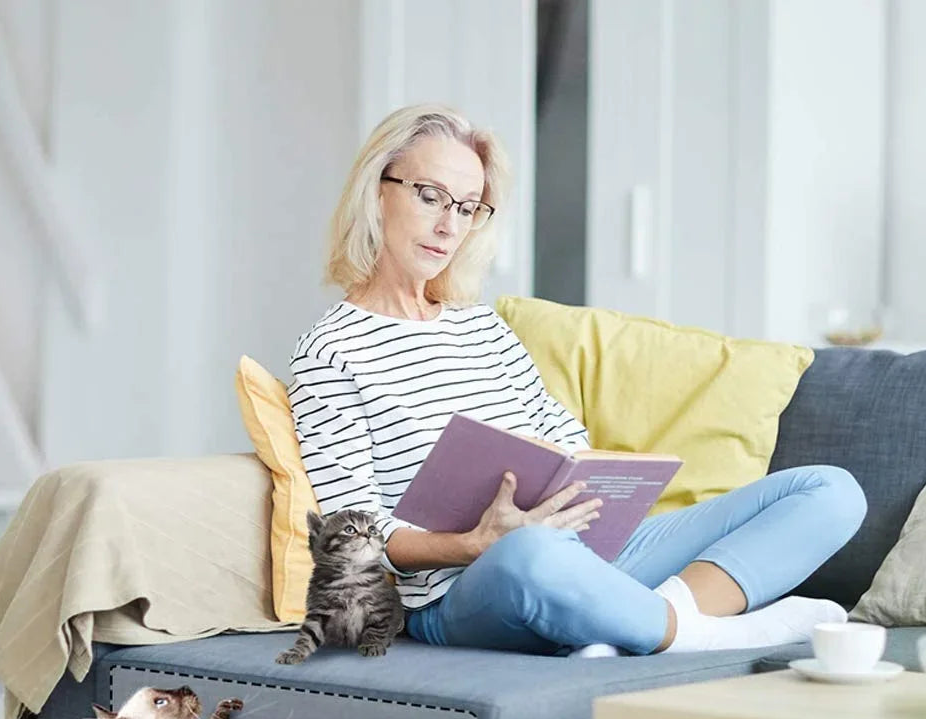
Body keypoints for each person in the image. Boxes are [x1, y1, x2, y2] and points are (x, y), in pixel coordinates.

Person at [286, 104, 867, 659]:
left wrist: (593, 474)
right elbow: (353, 535)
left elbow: (559, 430)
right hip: (462, 588)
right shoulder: (332, 350)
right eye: (431, 196)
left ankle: (642, 621)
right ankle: (698, 635)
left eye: (467, 208)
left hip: (584, 552)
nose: (447, 225)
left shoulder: (480, 326)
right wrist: (475, 542)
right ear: (377, 189)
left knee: (831, 491)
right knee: (531, 553)